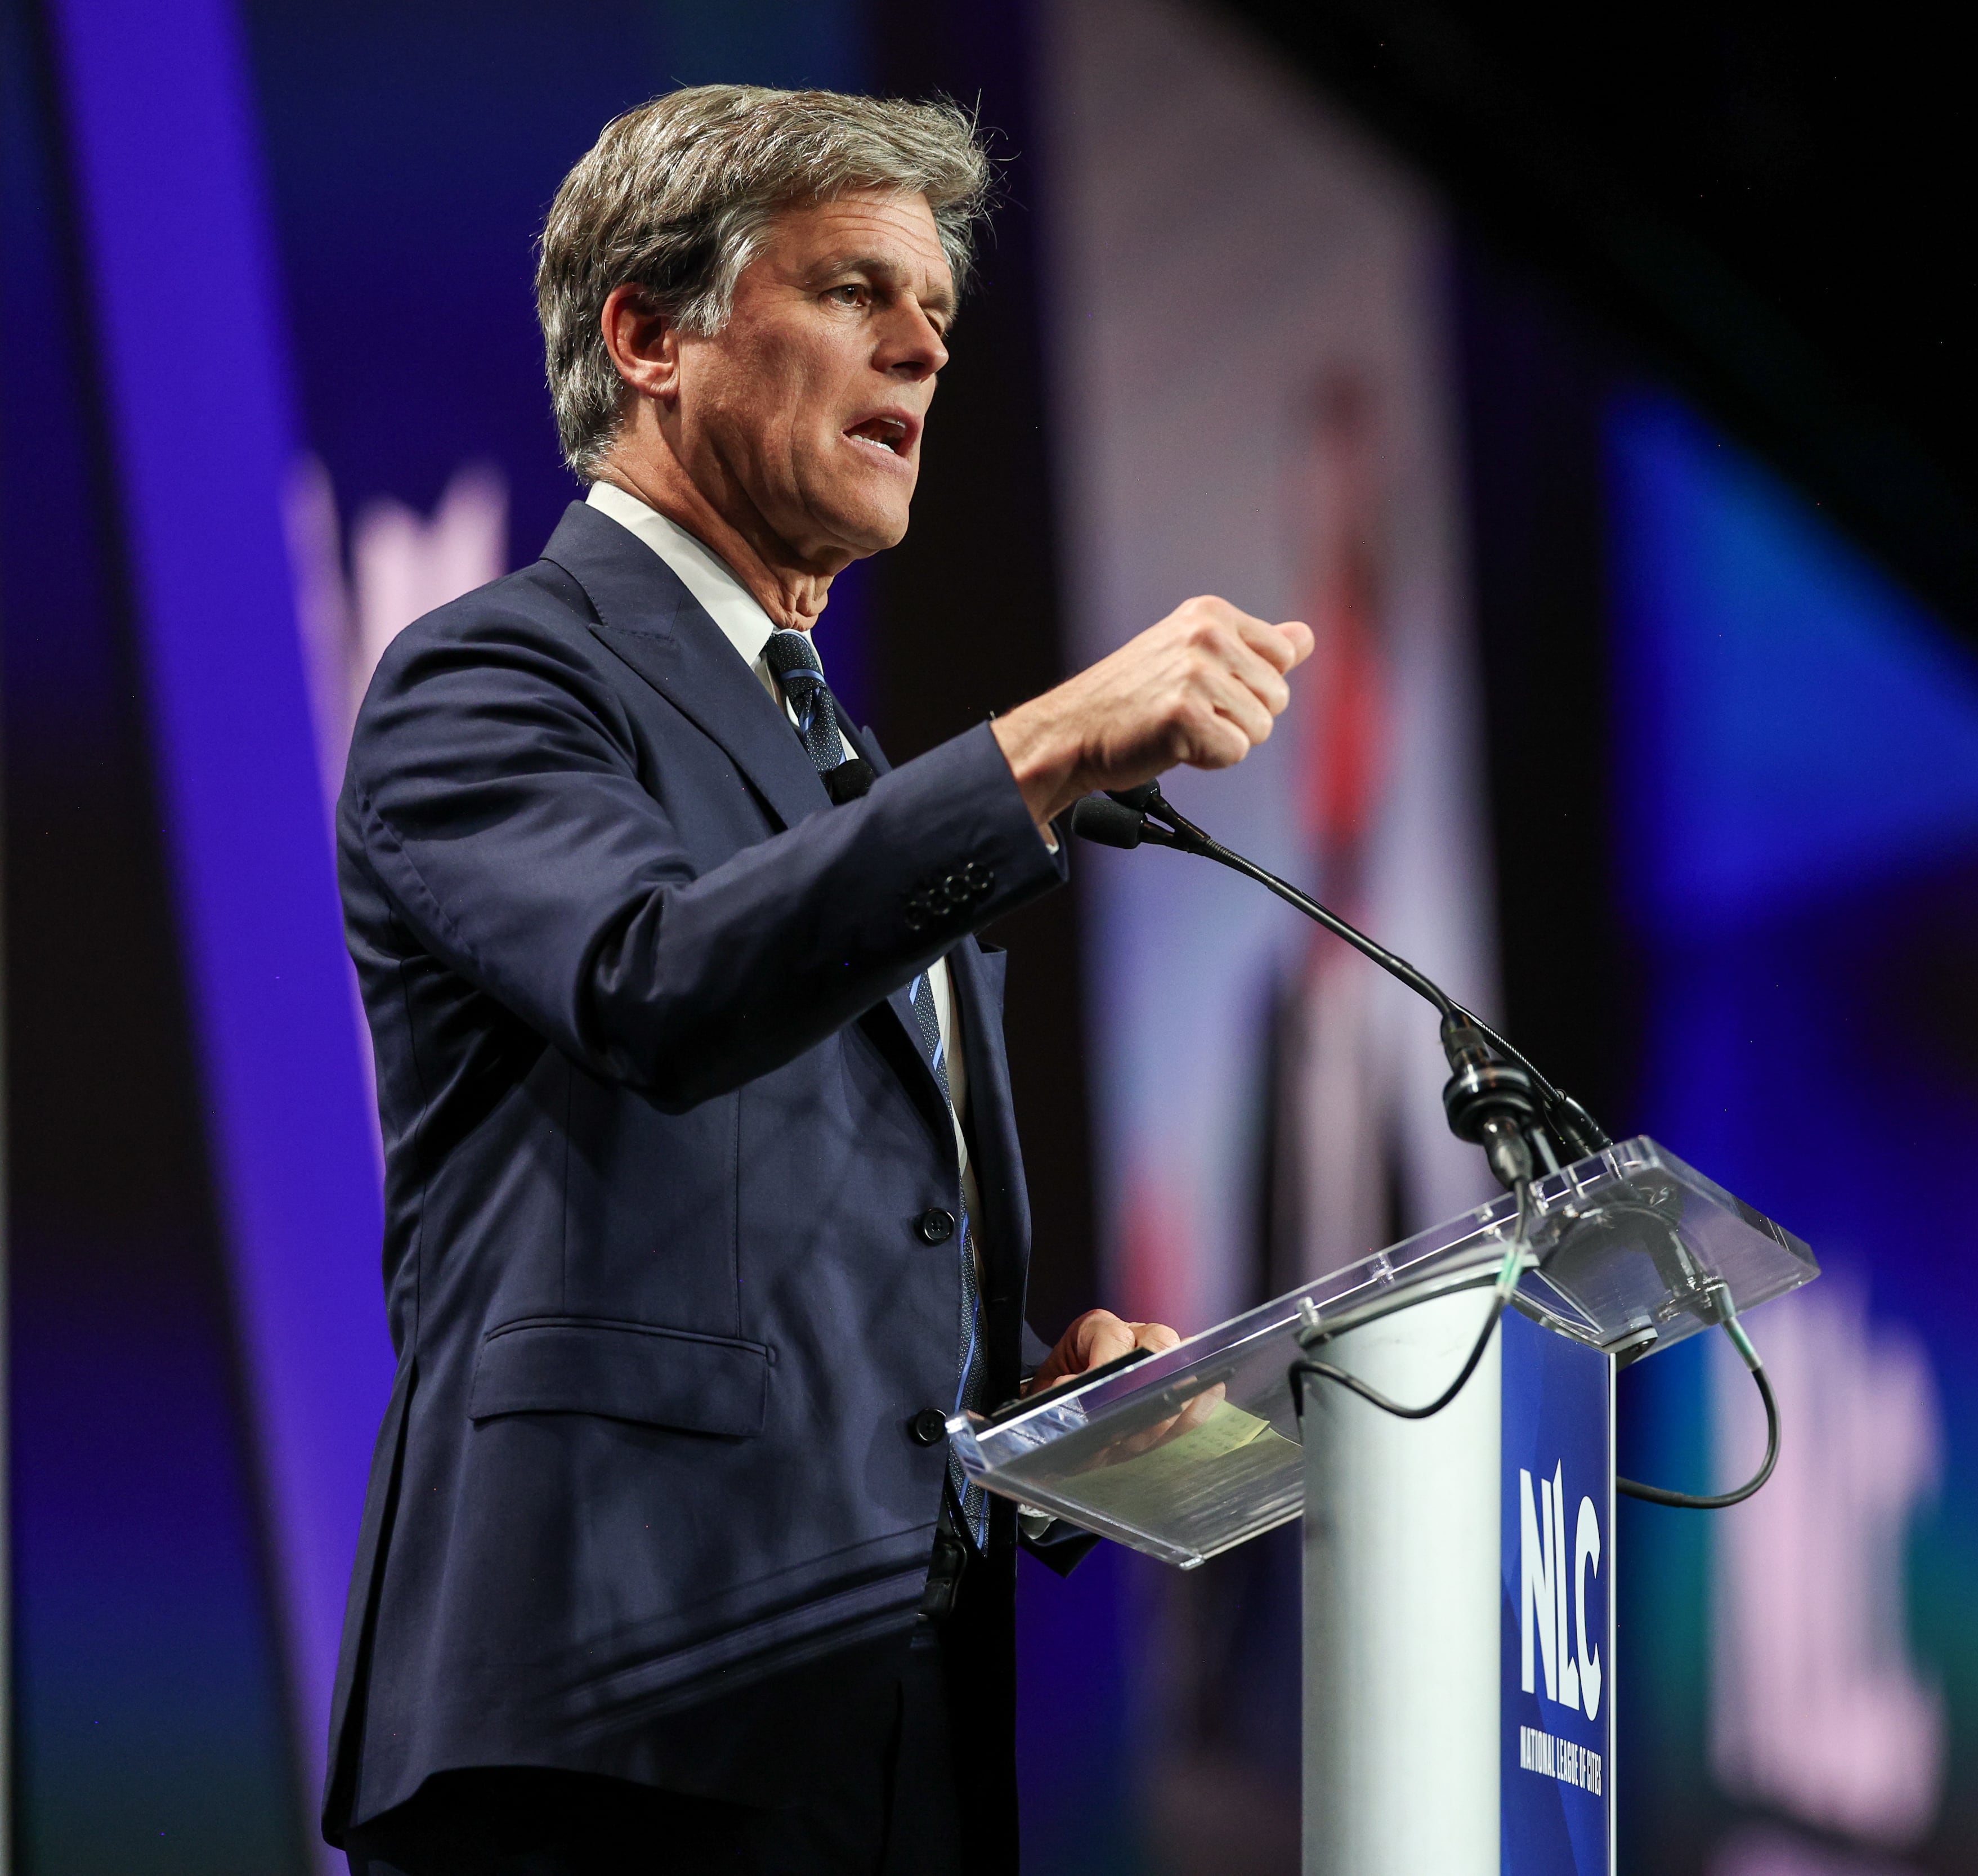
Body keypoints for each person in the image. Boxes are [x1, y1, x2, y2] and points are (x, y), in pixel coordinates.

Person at [322, 85, 1313, 1874]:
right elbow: (653, 979)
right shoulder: (495, 681)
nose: (925, 345)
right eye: (855, 288)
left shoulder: (844, 760)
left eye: (933, 306)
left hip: (882, 1744)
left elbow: (799, 1227)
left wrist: (1035, 1389)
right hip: (615, 1717)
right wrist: (1049, 743)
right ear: (649, 336)